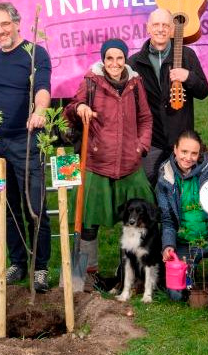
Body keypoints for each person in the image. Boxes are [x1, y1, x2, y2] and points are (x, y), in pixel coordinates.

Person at [64, 38, 153, 277]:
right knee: (86, 223)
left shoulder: (135, 83)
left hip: (129, 164)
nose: (114, 63)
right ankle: (84, 277)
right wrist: (79, 109)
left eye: (119, 58)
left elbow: (145, 118)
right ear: (103, 60)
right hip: (96, 163)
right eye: (109, 58)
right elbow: (72, 108)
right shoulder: (91, 81)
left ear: (126, 59)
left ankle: (128, 276)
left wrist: (141, 146)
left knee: (137, 222)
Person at [0, 2, 53, 292]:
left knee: (34, 206)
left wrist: (39, 112)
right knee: (8, 206)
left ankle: (40, 268)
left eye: (4, 24)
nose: (0, 31)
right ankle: (17, 262)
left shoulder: (35, 52)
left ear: (16, 23)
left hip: (27, 141)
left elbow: (43, 88)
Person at [130, 8, 208, 187]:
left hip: (181, 140)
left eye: (165, 25)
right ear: (148, 28)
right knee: (152, 189)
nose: (161, 29)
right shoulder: (134, 62)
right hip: (151, 141)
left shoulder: (186, 55)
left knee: (184, 190)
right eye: (156, 25)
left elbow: (204, 91)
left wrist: (188, 77)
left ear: (172, 30)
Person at [156, 130, 208, 302]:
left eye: (194, 153)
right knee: (176, 295)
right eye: (184, 152)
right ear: (175, 150)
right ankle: (192, 272)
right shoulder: (165, 179)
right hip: (185, 243)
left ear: (200, 153)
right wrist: (168, 245)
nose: (188, 157)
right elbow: (167, 220)